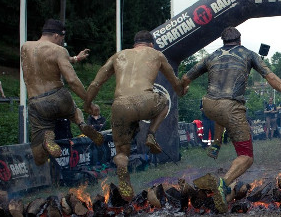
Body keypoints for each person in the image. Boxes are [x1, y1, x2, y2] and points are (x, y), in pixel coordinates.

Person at [181, 27, 281, 213]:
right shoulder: (248, 54)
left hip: (209, 104)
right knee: (246, 156)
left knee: (220, 113)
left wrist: (182, 89)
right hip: (230, 105)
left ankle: (216, 144)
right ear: (239, 41)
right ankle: (223, 184)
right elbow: (271, 77)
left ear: (223, 41)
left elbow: (185, 77)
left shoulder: (212, 55)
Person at [84, 30, 185, 201]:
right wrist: (183, 89)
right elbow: (176, 85)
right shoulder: (156, 54)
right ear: (151, 44)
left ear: (134, 44)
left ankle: (124, 177)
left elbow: (96, 82)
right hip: (146, 101)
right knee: (165, 103)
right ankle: (151, 134)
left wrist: (88, 104)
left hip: (120, 105)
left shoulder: (118, 56)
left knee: (122, 152)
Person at [20, 19, 104, 166]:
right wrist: (88, 102)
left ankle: (46, 139)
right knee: (74, 112)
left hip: (36, 103)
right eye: (61, 39)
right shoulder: (59, 50)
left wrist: (76, 58)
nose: (61, 43)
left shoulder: (25, 47)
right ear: (56, 36)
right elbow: (72, 80)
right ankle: (81, 123)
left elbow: (47, 59)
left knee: (38, 156)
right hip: (58, 97)